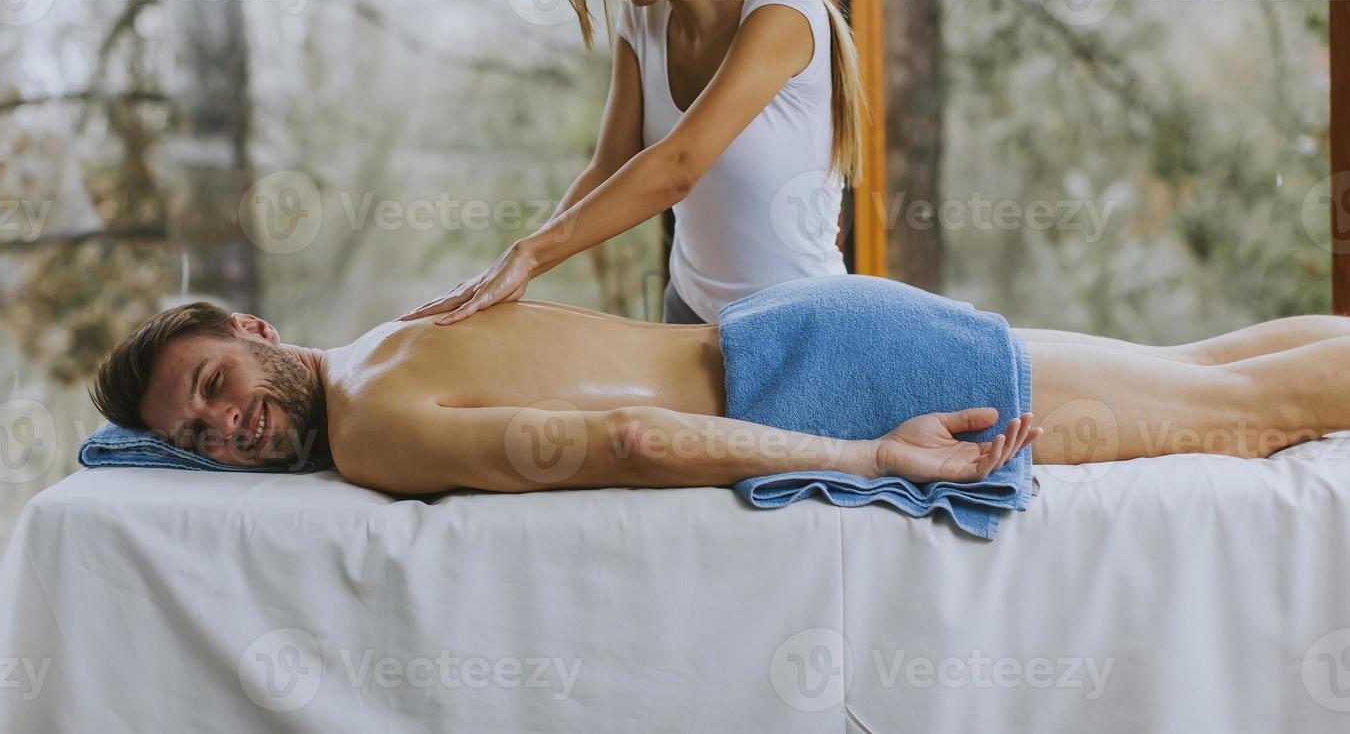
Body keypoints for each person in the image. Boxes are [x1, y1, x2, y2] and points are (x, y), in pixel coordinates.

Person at [86, 275, 1350, 496]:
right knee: (1204, 371)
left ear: (253, 330)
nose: (221, 421)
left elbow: (633, 437)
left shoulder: (371, 429)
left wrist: (871, 457)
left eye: (212, 379)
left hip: (822, 375)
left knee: (1251, 418)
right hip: (805, 330)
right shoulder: (382, 339)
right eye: (192, 436)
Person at [400, 0, 866, 327]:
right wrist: (518, 266)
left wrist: (531, 253)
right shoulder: (641, 17)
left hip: (800, 326)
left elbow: (678, 167)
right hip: (688, 314)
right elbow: (609, 167)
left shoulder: (783, 12)